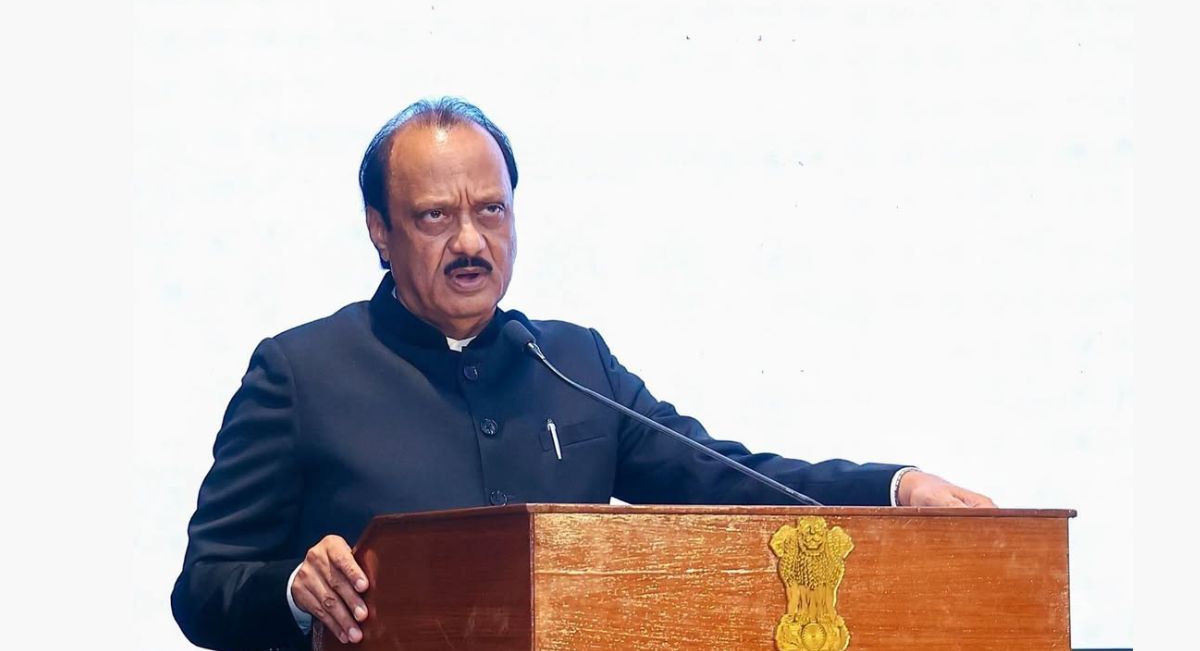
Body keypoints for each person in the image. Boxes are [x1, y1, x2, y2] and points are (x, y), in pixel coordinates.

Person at [171, 97, 994, 650]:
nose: (470, 241)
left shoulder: (571, 362)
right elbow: (203, 586)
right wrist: (295, 588)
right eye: (435, 216)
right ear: (379, 230)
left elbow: (723, 476)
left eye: (491, 210)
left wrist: (895, 488)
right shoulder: (300, 373)